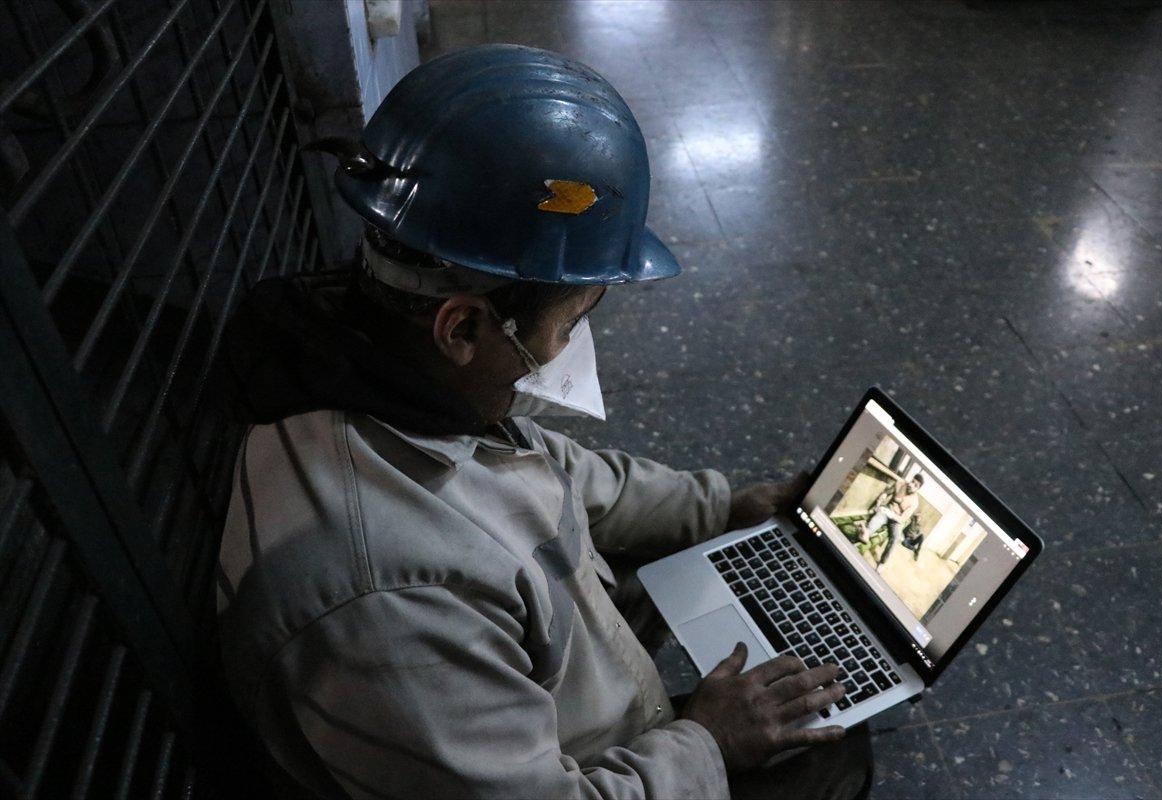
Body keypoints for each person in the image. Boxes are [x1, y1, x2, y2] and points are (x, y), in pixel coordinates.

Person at [214, 44, 872, 800]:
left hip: (532, 690)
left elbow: (553, 470)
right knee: (829, 760)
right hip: (553, 769)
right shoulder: (387, 601)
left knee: (685, 578)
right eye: (576, 318)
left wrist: (723, 506)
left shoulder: (392, 378)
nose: (572, 348)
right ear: (462, 328)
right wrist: (708, 744)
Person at [858, 474, 925, 567]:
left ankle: (882, 563)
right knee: (878, 518)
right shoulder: (900, 483)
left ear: (918, 489)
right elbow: (886, 493)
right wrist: (879, 502)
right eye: (912, 481)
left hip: (897, 520)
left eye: (916, 485)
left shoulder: (915, 502)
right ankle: (866, 533)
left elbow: (903, 519)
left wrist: (891, 515)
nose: (912, 485)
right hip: (887, 510)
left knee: (895, 538)